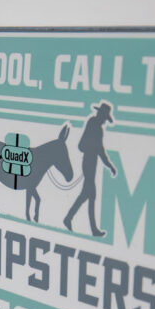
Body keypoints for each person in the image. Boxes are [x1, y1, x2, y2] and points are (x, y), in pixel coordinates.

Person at [64, 101, 117, 236]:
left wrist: (109, 165)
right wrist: (109, 165)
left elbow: (100, 150)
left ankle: (69, 218)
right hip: (88, 163)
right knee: (91, 195)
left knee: (85, 195)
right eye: (104, 118)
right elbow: (92, 147)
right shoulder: (93, 124)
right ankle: (92, 229)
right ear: (101, 114)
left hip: (92, 164)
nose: (104, 121)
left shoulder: (97, 127)